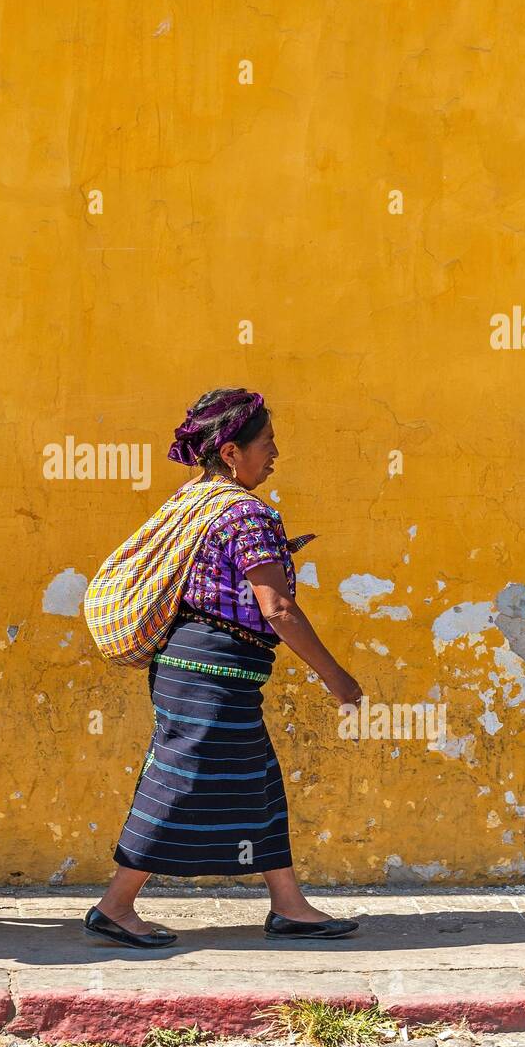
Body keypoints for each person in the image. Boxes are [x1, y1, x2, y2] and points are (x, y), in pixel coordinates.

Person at [85, 387, 364, 949]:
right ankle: (115, 905)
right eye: (267, 445)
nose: (275, 455)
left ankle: (289, 904)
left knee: (258, 780)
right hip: (210, 671)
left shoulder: (192, 502)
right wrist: (336, 676)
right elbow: (278, 608)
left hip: (195, 666)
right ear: (232, 452)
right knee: (179, 778)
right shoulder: (246, 513)